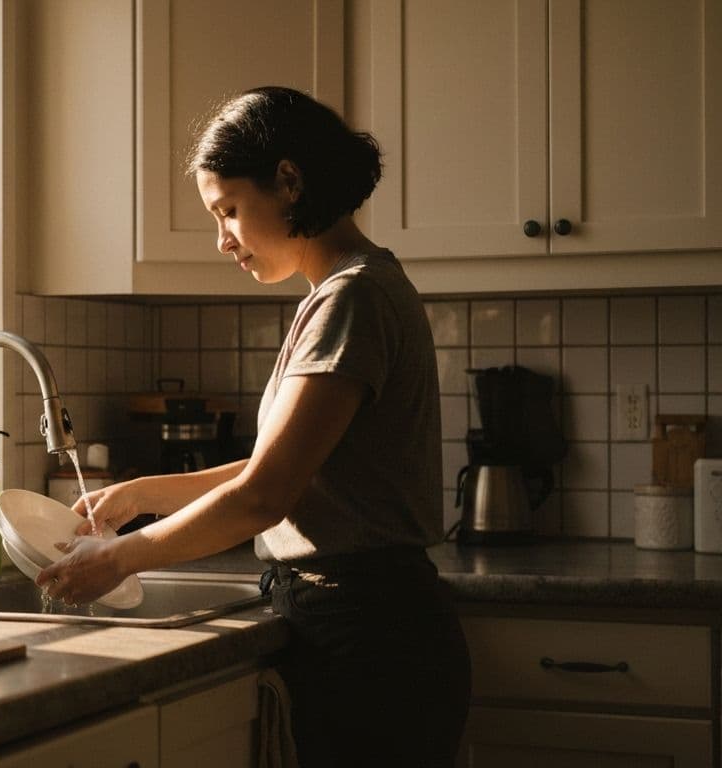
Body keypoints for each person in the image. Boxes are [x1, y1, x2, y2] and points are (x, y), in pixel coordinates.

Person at [35, 86, 471, 766]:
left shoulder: (350, 298)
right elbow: (293, 470)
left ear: (289, 181)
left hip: (368, 636)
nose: (222, 240)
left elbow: (266, 497)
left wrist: (116, 557)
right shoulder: (346, 291)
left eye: (229, 210)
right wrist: (141, 493)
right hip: (370, 625)